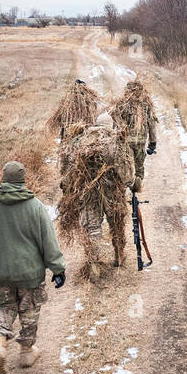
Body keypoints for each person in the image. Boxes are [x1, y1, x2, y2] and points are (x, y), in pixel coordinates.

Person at [0, 161, 65, 374]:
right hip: (29, 273)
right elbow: (48, 241)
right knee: (29, 311)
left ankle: (0, 343)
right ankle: (26, 352)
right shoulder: (35, 206)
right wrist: (57, 268)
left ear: (3, 179)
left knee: (0, 307)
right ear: (23, 180)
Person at [58, 112, 136, 275]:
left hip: (88, 191)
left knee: (92, 226)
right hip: (111, 190)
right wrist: (131, 183)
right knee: (116, 223)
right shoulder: (115, 141)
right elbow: (125, 172)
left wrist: (66, 188)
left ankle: (94, 262)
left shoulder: (80, 140)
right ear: (110, 126)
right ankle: (119, 256)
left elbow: (68, 169)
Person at [112, 79, 157, 192]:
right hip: (140, 142)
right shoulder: (146, 104)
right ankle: (136, 189)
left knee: (124, 165)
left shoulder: (121, 103)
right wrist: (152, 143)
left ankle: (122, 190)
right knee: (139, 167)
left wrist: (115, 139)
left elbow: (116, 124)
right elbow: (151, 125)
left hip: (125, 142)